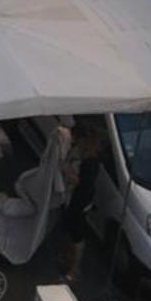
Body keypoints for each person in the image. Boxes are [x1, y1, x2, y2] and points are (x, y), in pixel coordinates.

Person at [60, 120, 102, 283]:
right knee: (70, 231)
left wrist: (66, 170)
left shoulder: (91, 161)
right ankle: (68, 261)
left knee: (76, 234)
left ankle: (74, 268)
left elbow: (81, 182)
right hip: (74, 198)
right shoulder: (81, 153)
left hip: (80, 201)